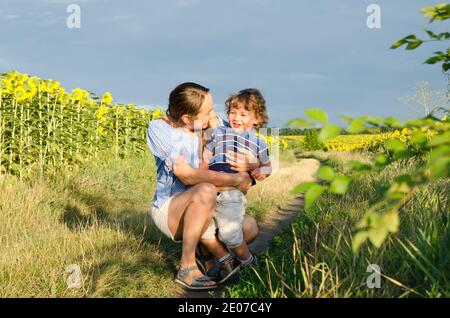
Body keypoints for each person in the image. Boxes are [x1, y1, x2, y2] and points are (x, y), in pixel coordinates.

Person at [146, 82, 259, 291]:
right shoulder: (160, 129)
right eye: (207, 113)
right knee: (205, 189)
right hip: (172, 209)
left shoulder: (209, 127)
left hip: (209, 205)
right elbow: (187, 175)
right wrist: (235, 180)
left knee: (249, 228)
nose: (213, 116)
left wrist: (252, 168)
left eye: (212, 109)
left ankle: (209, 254)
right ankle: (187, 266)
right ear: (187, 119)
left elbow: (247, 148)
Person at [200, 89, 271, 277]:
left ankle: (248, 262)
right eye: (232, 112)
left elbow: (268, 166)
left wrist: (258, 169)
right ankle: (221, 261)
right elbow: (206, 157)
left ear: (257, 119)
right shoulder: (218, 134)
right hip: (208, 192)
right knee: (204, 229)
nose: (236, 117)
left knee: (229, 234)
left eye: (243, 114)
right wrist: (202, 172)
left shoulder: (258, 142)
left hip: (231, 195)